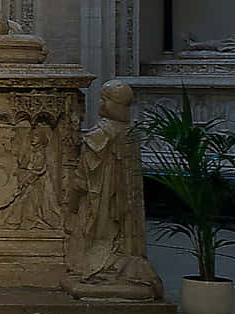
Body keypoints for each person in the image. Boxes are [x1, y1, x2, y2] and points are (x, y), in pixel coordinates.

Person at [65, 81, 163, 300]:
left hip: (100, 201)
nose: (100, 104)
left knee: (99, 234)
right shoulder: (131, 133)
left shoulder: (101, 134)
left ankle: (102, 266)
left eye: (104, 99)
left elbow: (82, 178)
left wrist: (70, 205)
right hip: (120, 202)